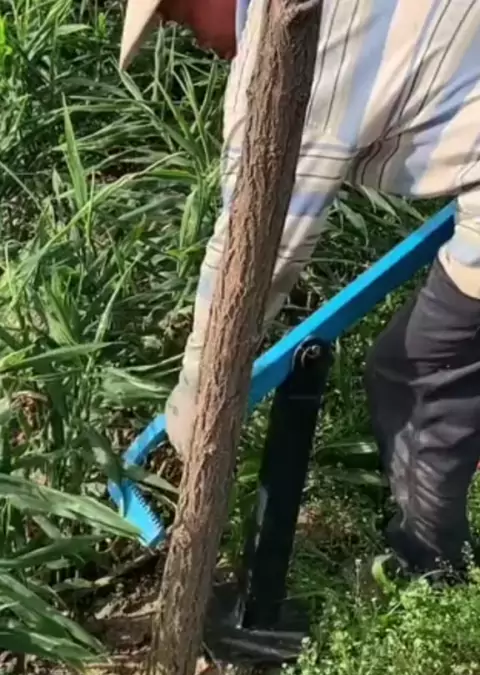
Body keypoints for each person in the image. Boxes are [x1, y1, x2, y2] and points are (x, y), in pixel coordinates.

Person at [120, 0, 480, 580]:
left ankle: (434, 572)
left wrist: (193, 407)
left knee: (418, 372)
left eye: (183, 16)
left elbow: (253, 257)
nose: (189, 38)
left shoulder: (286, 63)